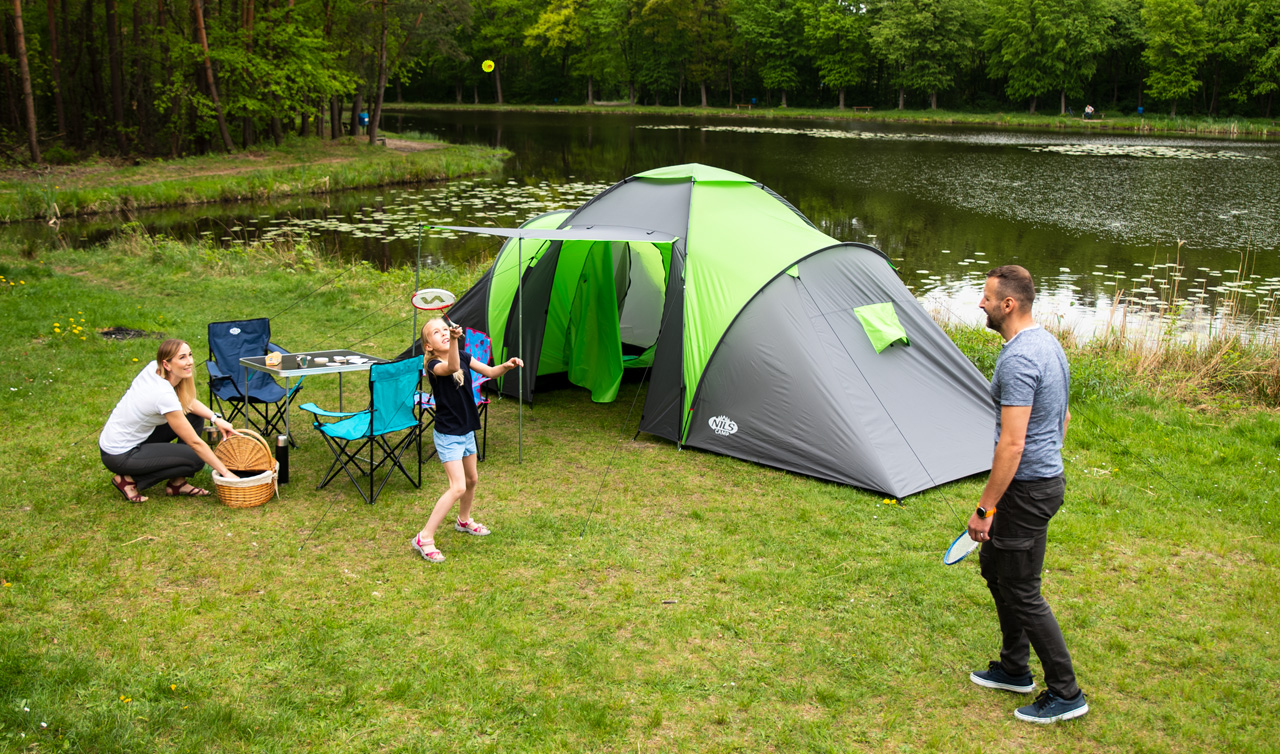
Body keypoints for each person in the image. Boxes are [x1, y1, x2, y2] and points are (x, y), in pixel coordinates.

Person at [967, 265, 1088, 723]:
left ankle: (1066, 693)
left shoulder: (1019, 359)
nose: (981, 304)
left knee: (1021, 590)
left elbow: (1012, 443)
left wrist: (986, 508)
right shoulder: (1048, 344)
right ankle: (1014, 668)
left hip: (1027, 490)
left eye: (987, 297)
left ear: (1008, 304)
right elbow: (1064, 418)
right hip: (1040, 485)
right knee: (995, 568)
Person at [411, 318, 522, 563]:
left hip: (466, 430)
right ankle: (424, 537)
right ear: (428, 346)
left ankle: (463, 520)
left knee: (472, 480)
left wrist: (506, 365)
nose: (443, 333)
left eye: (445, 329)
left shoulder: (463, 355)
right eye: (436, 332)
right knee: (458, 487)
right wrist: (453, 340)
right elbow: (451, 367)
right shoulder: (433, 365)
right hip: (449, 435)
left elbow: (489, 372)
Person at [100, 339, 240, 502]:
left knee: (193, 416)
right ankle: (128, 480)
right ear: (166, 364)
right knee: (195, 458)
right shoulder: (163, 395)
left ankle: (177, 484)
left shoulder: (154, 367)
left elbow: (186, 401)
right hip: (119, 454)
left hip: (129, 438)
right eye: (182, 358)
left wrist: (215, 418)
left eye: (190, 355)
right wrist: (226, 473)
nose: (190, 362)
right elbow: (195, 443)